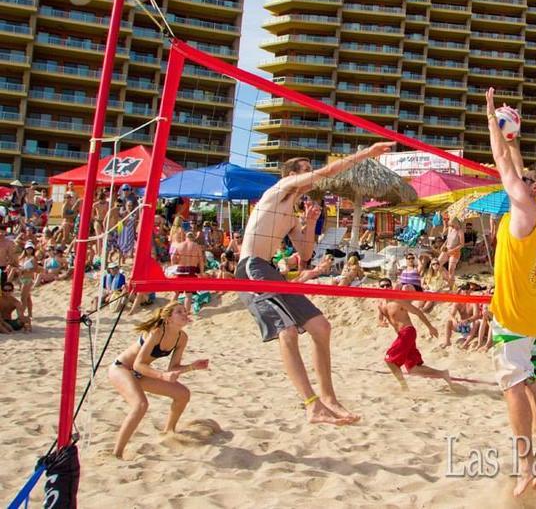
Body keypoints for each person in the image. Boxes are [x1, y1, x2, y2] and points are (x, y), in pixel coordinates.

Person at [235, 143, 393, 426]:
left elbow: (306, 254)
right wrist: (367, 153)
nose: (310, 175)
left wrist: (308, 223)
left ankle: (329, 398)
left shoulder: (294, 212)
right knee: (287, 332)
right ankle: (312, 405)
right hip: (250, 267)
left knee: (321, 327)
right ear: (293, 174)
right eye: (305, 170)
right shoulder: (281, 188)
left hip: (269, 270)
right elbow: (328, 172)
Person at [486, 88, 536, 497]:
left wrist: (490, 115)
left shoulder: (526, 207)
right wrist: (514, 140)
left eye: (527, 178)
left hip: (514, 316)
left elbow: (501, 163)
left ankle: (525, 465)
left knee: (513, 385)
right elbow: (513, 163)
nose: (521, 176)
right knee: (533, 382)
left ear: (533, 189)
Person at [107, 303, 209, 459]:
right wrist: (162, 376)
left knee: (183, 394)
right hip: (122, 369)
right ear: (168, 318)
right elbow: (138, 364)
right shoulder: (156, 332)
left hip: (140, 373)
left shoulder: (182, 337)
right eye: (179, 312)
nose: (184, 313)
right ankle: (117, 453)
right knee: (141, 405)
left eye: (185, 311)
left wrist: (192, 367)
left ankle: (169, 431)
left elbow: (173, 367)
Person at [380, 295, 460, 392]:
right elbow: (380, 319)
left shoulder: (399, 301)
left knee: (389, 360)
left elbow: (417, 312)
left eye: (387, 285)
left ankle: (404, 387)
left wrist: (430, 327)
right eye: (383, 286)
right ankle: (443, 374)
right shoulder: (381, 305)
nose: (385, 287)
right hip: (401, 335)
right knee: (413, 369)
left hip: (407, 332)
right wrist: (381, 322)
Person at [438, 217, 464, 289]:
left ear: (456, 223)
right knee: (437, 264)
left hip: (455, 252)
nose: (451, 226)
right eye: (450, 225)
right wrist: (443, 245)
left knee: (451, 269)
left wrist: (452, 250)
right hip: (447, 249)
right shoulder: (450, 228)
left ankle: (451, 285)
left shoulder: (460, 231)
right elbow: (448, 239)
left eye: (452, 225)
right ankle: (449, 280)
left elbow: (462, 244)